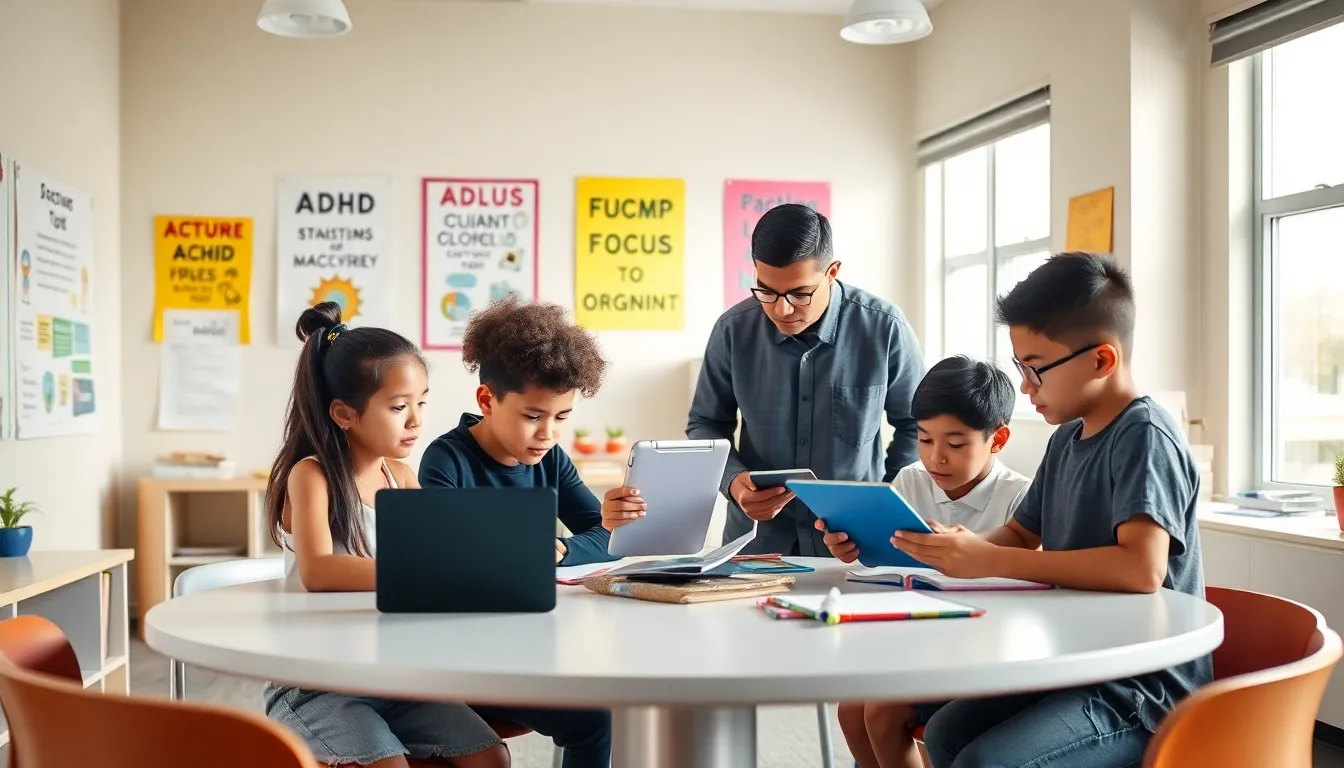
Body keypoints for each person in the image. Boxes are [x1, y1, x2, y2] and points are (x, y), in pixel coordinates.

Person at [891, 252, 1207, 768]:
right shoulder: (1066, 439)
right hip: (1072, 664)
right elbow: (1019, 533)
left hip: (1138, 689)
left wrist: (989, 560)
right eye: (1019, 366)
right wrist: (948, 548)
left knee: (984, 761)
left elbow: (1141, 568)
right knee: (947, 731)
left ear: (1102, 360)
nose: (1023, 386)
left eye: (1034, 368)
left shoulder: (1144, 435)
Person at [262, 302, 509, 768]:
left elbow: (435, 554)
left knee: (491, 757)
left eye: (422, 402)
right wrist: (426, 572)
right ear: (343, 413)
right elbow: (319, 570)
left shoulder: (402, 476)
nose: (416, 420)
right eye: (398, 407)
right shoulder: (311, 476)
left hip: (393, 677)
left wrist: (489, 559)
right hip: (317, 684)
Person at [417, 296, 614, 768]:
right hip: (459, 660)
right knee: (593, 711)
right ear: (487, 399)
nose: (547, 434)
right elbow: (444, 562)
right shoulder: (446, 462)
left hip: (534, 645)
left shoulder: (552, 460)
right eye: (532, 416)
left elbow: (605, 535)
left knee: (600, 712)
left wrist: (561, 548)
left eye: (561, 418)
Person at [819, 355, 1030, 768]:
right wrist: (854, 549)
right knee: (850, 709)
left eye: (955, 444)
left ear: (998, 439)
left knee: (882, 712)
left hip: (986, 651)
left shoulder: (1020, 498)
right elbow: (884, 566)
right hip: (916, 641)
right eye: (925, 438)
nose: (936, 458)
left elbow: (1027, 587)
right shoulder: (911, 481)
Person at [679, 204, 925, 556]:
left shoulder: (884, 328)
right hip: (754, 545)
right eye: (766, 291)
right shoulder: (733, 330)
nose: (782, 309)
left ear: (832, 272)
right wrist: (734, 484)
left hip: (854, 545)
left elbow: (916, 423)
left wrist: (884, 503)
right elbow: (704, 423)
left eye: (799, 294)